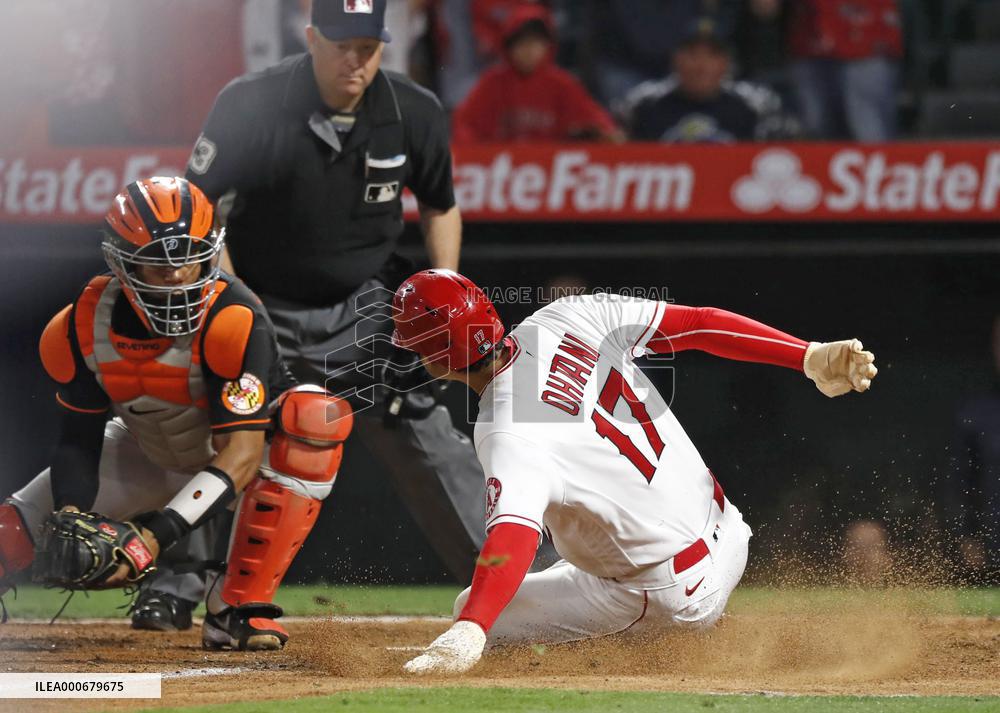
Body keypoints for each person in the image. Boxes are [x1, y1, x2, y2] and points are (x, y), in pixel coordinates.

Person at [389, 269, 877, 674]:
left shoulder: (505, 429)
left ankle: (675, 646)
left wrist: (472, 626)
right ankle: (692, 622)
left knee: (474, 608)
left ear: (436, 358)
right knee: (575, 557)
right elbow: (701, 324)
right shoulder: (568, 316)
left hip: (672, 595)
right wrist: (806, 354)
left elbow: (512, 538)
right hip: (730, 533)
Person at [184, 0, 488, 584]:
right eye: (342, 44)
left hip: (362, 310)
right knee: (219, 432)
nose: (355, 59)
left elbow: (440, 206)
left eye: (368, 47)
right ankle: (178, 587)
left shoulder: (413, 110)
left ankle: (516, 587)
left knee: (424, 430)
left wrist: (441, 289)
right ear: (312, 38)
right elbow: (200, 208)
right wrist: (229, 299)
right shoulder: (250, 102)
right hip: (259, 303)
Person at [0, 177, 353, 650]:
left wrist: (151, 536)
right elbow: (78, 438)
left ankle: (237, 608)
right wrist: (72, 516)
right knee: (12, 528)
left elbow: (242, 453)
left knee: (314, 416)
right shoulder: (79, 324)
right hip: (147, 449)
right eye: (157, 260)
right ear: (121, 261)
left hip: (246, 465)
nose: (177, 273)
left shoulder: (234, 317)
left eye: (188, 255)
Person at [452, 5, 623, 143]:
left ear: (548, 46)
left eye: (536, 43)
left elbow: (596, 121)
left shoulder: (561, 84)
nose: (529, 51)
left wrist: (606, 132)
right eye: (521, 43)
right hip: (501, 170)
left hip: (551, 172)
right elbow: (465, 125)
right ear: (508, 47)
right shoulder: (492, 82)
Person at [621, 23, 766, 143]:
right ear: (675, 59)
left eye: (712, 55)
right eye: (692, 54)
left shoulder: (754, 106)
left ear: (726, 63)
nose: (701, 66)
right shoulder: (643, 105)